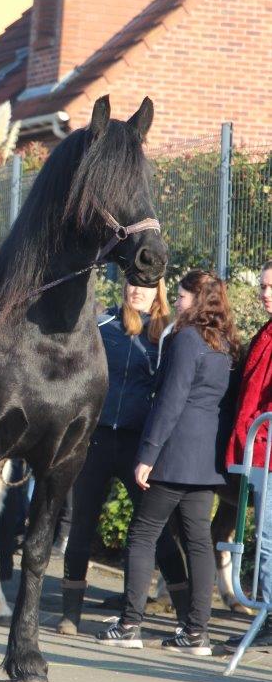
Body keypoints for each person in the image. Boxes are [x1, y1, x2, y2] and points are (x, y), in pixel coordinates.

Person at [97, 270, 239, 655]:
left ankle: (129, 625)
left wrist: (148, 454)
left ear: (198, 300)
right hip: (205, 460)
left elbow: (170, 400)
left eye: (182, 296)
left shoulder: (186, 339)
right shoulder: (225, 343)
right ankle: (196, 633)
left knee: (143, 535)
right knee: (198, 542)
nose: (176, 301)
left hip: (173, 454)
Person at [57, 280, 186, 635]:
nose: (136, 289)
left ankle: (186, 614)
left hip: (139, 446)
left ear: (158, 289)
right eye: (132, 282)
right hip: (96, 440)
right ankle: (71, 613)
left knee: (155, 533)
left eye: (145, 285)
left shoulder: (170, 333)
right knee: (82, 525)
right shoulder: (103, 323)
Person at [220, 261, 272, 650]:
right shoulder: (265, 332)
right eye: (263, 286)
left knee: (268, 539)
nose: (265, 293)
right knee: (264, 537)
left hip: (266, 449)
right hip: (256, 450)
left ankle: (268, 615)